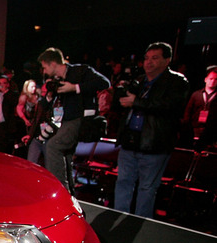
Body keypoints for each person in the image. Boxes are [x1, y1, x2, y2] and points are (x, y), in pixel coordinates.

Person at [114, 42, 190, 218]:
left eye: (155, 58)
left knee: (147, 187)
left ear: (167, 60)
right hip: (130, 142)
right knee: (123, 182)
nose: (149, 62)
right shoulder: (139, 81)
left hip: (154, 144)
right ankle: (117, 217)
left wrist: (137, 102)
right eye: (147, 58)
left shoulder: (177, 82)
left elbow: (170, 107)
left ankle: (140, 223)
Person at [38, 47, 110, 192]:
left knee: (53, 146)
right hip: (65, 121)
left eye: (44, 67)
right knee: (66, 156)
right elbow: (44, 105)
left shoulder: (81, 71)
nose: (44, 71)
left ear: (53, 64)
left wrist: (75, 88)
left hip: (81, 119)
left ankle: (59, 191)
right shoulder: (56, 81)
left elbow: (104, 83)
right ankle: (69, 193)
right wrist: (50, 96)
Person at [181, 65, 217, 149]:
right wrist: (187, 127)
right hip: (193, 129)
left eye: (216, 79)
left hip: (210, 132)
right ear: (206, 79)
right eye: (211, 79)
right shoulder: (196, 94)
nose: (213, 81)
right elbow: (188, 112)